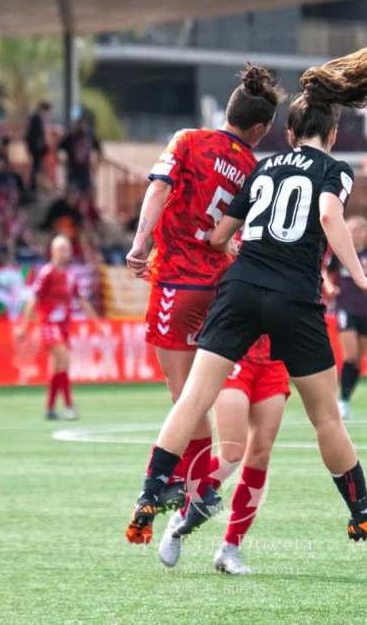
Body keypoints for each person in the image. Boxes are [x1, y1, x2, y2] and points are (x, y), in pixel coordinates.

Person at [125, 43, 367, 547]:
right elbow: (328, 217)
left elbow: (217, 236)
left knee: (193, 397)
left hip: (240, 286)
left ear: (289, 134)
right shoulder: (335, 171)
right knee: (325, 416)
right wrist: (359, 276)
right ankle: (360, 511)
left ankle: (149, 491)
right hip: (295, 297)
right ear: (332, 135)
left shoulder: (262, 169)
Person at [124, 64, 284, 519]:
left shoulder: (189, 140)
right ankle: (198, 486)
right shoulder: (254, 169)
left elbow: (158, 191)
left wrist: (140, 245)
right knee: (197, 392)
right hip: (221, 288)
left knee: (184, 396)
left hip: (179, 283)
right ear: (258, 129)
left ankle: (186, 484)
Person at [158, 335, 290, 574]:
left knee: (260, 457)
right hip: (232, 353)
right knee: (231, 453)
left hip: (273, 359)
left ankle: (229, 549)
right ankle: (182, 517)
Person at [17, 235, 99, 420]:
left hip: (63, 325)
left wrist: (97, 322)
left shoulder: (71, 275)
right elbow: (34, 299)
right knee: (65, 360)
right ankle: (69, 406)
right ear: (53, 251)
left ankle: (50, 408)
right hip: (49, 323)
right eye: (61, 249)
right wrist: (24, 326)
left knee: (57, 367)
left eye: (67, 248)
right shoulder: (47, 273)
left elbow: (82, 300)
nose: (65, 252)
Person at [322, 215, 367, 419]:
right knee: (350, 355)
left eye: (359, 230)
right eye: (352, 229)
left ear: (365, 232)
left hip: (365, 310)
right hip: (345, 307)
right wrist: (331, 288)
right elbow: (324, 272)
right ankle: (340, 401)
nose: (355, 233)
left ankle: (346, 399)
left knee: (357, 361)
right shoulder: (339, 254)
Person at [57, 117, 102, 195]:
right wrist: (62, 162)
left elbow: (99, 150)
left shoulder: (89, 136)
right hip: (73, 171)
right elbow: (59, 148)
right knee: (71, 196)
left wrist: (96, 165)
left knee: (87, 195)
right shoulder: (71, 137)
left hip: (85, 172)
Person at [25, 102, 52, 194]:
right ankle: (34, 187)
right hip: (36, 149)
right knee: (36, 168)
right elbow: (35, 135)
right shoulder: (36, 119)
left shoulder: (37, 118)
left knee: (37, 167)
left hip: (37, 148)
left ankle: (36, 187)